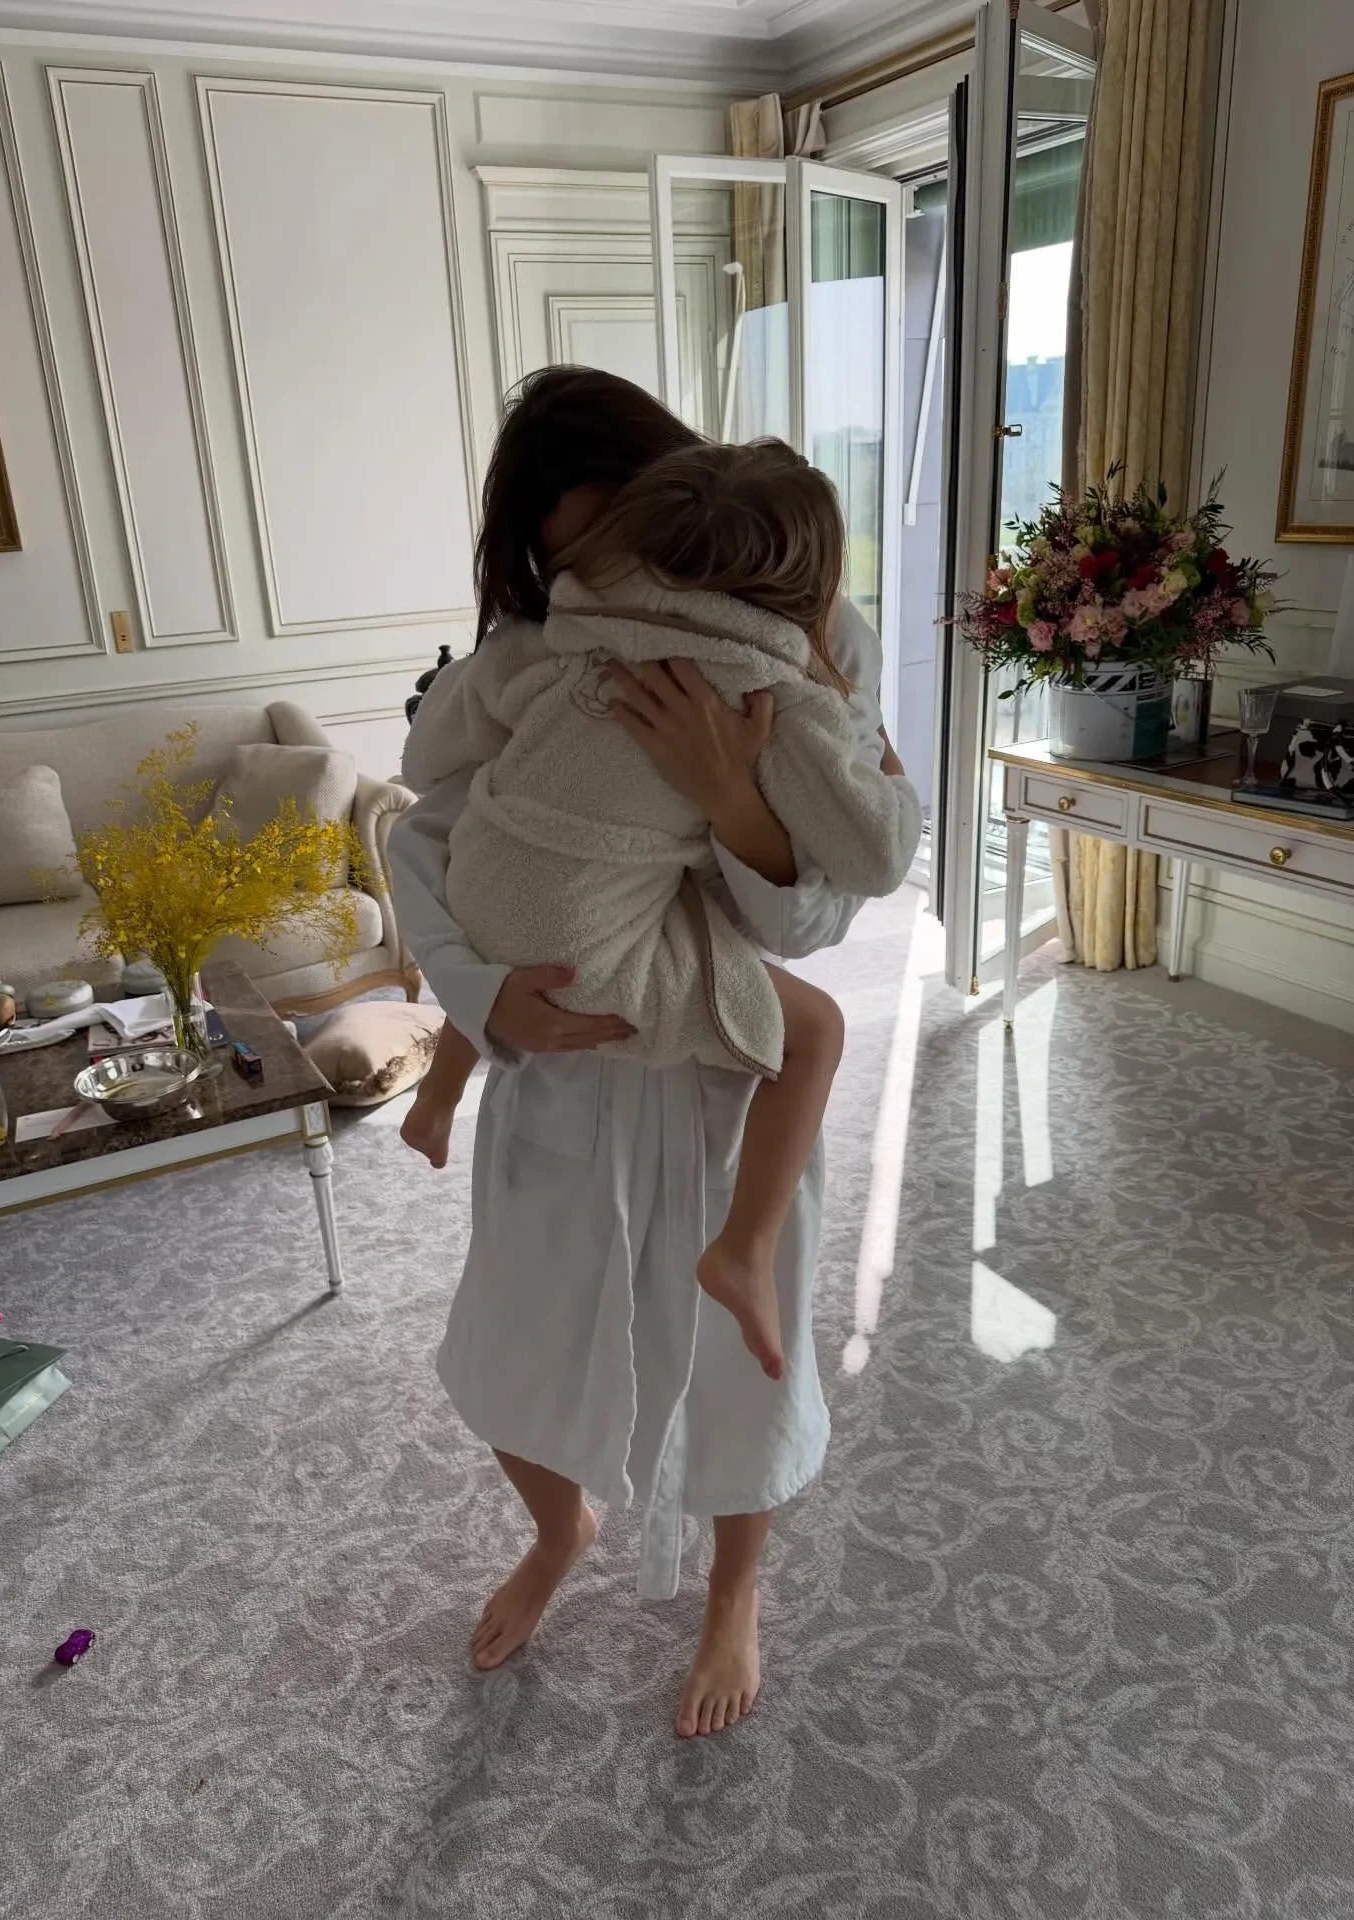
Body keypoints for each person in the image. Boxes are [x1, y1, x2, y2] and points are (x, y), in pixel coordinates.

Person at [387, 366, 918, 1738]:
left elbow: (822, 916)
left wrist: (727, 795)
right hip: (560, 1053)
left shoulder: (806, 633)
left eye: (620, 535)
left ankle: (736, 1587)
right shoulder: (557, 639)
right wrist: (486, 1003)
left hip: (718, 1062)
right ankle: (557, 1529)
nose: (622, 582)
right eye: (571, 558)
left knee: (737, 1355)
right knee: (513, 1341)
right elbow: (434, 841)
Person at [400, 440, 920, 1381]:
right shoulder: (773, 686)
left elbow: (434, 751)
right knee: (817, 1034)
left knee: (530, 902)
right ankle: (744, 1249)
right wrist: (886, 771)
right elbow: (877, 855)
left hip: (491, 885)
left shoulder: (563, 639)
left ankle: (438, 1092)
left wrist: (726, 797)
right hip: (581, 967)